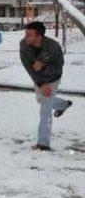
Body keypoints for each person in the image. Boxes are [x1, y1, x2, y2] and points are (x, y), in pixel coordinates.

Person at [20, 22, 72, 151]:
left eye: (29, 35)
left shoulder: (52, 46)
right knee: (41, 99)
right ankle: (63, 104)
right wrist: (41, 84)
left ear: (39, 37)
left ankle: (43, 144)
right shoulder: (24, 46)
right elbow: (29, 69)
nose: (25, 37)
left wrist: (43, 64)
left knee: (45, 109)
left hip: (53, 77)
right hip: (39, 78)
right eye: (25, 34)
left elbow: (59, 65)